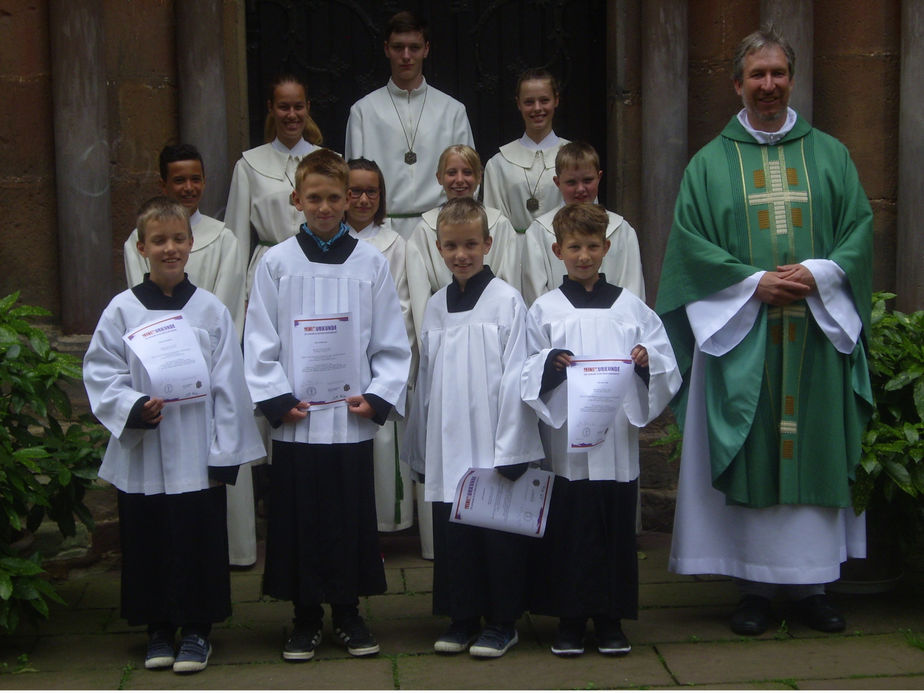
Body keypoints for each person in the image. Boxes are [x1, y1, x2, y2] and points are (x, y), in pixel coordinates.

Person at [656, 27, 873, 636]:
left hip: (815, 333)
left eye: (778, 73)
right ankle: (751, 587)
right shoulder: (707, 164)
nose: (768, 84)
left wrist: (821, 272)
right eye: (757, 75)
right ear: (737, 84)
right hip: (743, 339)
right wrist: (753, 284)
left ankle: (812, 588)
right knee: (752, 451)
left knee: (814, 451)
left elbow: (858, 230)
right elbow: (687, 250)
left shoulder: (831, 154)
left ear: (791, 78)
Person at [84, 197, 264, 674]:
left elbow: (230, 384)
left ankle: (198, 630)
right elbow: (101, 372)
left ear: (191, 244)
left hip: (195, 450)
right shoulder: (122, 310)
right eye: (159, 240)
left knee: (197, 539)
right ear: (141, 247)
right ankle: (158, 628)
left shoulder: (210, 311)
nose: (170, 248)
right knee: (148, 541)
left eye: (178, 239)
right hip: (145, 448)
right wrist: (131, 407)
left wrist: (227, 450)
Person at [244, 149, 411, 661]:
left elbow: (390, 340)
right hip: (297, 420)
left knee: (349, 517)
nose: (324, 207)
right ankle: (304, 616)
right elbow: (259, 340)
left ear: (349, 202)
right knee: (298, 519)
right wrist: (277, 399)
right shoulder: (276, 263)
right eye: (313, 197)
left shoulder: (370, 263)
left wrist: (379, 394)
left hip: (348, 417)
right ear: (296, 199)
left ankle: (349, 612)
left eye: (334, 198)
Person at [521, 203, 680, 657]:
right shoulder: (545, 309)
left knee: (611, 529)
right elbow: (526, 367)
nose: (584, 255)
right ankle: (569, 620)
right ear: (558, 250)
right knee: (569, 530)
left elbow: (663, 359)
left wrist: (648, 362)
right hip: (567, 442)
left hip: (614, 444)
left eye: (593, 246)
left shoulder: (631, 308)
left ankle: (611, 620)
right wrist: (550, 365)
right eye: (575, 247)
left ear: (607, 247)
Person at [403, 197, 544, 658]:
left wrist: (512, 448)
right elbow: (426, 381)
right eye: (450, 246)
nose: (460, 254)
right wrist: (423, 449)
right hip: (449, 444)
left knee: (496, 534)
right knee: (453, 534)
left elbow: (519, 376)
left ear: (487, 243)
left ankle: (503, 621)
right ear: (438, 249)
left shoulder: (506, 301)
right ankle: (462, 617)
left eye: (469, 244)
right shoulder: (438, 307)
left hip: (493, 442)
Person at [123, 144, 255, 568]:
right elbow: (141, 311)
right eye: (178, 179)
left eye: (195, 178)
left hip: (205, 384)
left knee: (207, 505)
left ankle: (235, 554)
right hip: (156, 387)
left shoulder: (224, 238)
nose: (188, 186)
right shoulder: (135, 240)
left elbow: (226, 308)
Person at [344, 10, 474, 240]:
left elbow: (467, 180)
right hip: (381, 231)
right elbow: (354, 182)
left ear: (426, 49)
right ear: (386, 49)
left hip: (440, 230)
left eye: (414, 47)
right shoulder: (363, 111)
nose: (406, 55)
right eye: (398, 47)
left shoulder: (452, 110)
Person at [345, 157, 417, 535]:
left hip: (378, 356)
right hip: (339, 362)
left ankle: (385, 524)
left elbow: (403, 303)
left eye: (370, 191)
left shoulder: (395, 244)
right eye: (353, 190)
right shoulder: (329, 243)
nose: (361, 199)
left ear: (381, 196)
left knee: (382, 440)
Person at [406, 144, 522, 343]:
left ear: (479, 176)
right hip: (443, 329)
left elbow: (509, 284)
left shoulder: (500, 225)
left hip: (492, 329)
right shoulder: (423, 229)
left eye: (467, 172)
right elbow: (420, 300)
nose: (459, 180)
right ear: (439, 177)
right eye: (451, 172)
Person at [225, 74, 324, 293]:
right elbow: (236, 238)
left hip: (316, 267)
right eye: (283, 107)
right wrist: (238, 292)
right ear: (271, 108)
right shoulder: (248, 165)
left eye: (298, 107)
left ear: (307, 107)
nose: (291, 115)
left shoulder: (329, 162)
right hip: (267, 271)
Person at [521, 141, 645, 306]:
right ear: (557, 182)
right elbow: (536, 297)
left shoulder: (622, 230)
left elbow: (633, 291)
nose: (580, 189)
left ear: (599, 177)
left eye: (587, 180)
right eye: (571, 182)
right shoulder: (539, 232)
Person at [483, 68, 568, 235]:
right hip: (515, 252)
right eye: (529, 102)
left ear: (556, 100)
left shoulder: (575, 157)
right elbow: (493, 225)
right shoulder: (498, 164)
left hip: (562, 252)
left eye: (544, 100)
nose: (537, 108)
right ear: (518, 104)